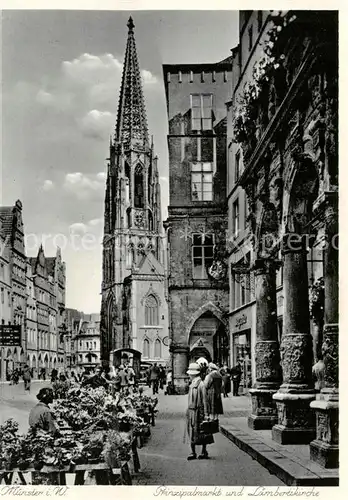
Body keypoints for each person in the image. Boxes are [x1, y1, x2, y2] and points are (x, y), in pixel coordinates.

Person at [184, 362, 214, 461]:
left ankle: (203, 451)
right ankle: (193, 452)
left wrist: (206, 414)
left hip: (198, 412)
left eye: (190, 374)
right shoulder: (192, 384)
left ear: (193, 374)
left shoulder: (201, 385)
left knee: (202, 431)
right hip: (191, 412)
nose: (188, 375)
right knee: (192, 431)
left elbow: (205, 401)